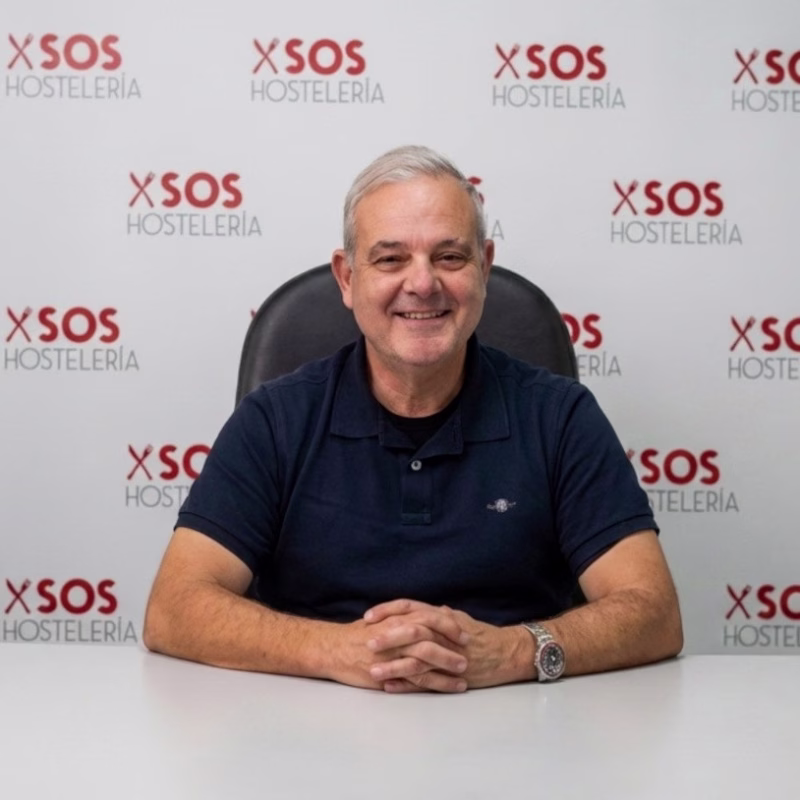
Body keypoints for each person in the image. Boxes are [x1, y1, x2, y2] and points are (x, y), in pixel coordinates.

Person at [143, 145, 683, 692]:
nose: (423, 284)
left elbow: (653, 610)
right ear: (347, 278)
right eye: (390, 259)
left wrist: (513, 652)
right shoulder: (275, 419)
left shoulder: (560, 416)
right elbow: (173, 607)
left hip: (519, 718)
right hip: (311, 719)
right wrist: (337, 650)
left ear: (484, 267)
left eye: (449, 257)